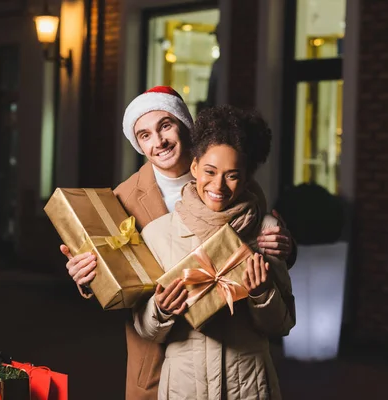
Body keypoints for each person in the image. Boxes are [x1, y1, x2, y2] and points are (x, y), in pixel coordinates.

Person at [60, 86, 295, 399]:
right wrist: (87, 278)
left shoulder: (239, 183)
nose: (158, 142)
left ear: (186, 125)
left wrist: (286, 248)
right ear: (138, 144)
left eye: (165, 126)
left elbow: (262, 252)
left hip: (237, 364)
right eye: (145, 135)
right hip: (161, 360)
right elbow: (120, 278)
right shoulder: (122, 200)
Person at [135, 105, 295, 399]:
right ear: (194, 168)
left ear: (247, 178)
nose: (218, 185)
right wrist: (161, 310)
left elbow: (283, 324)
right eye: (210, 171)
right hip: (184, 388)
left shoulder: (266, 232)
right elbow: (146, 331)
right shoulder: (157, 234)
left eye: (232, 175)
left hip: (248, 386)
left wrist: (262, 294)